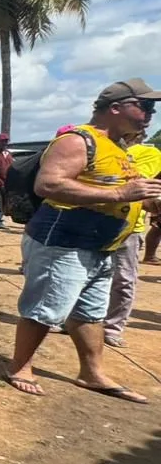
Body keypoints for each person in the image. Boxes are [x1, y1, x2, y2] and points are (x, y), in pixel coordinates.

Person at [5, 79, 161, 404]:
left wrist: (145, 201)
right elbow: (48, 185)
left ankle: (92, 373)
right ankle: (21, 367)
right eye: (143, 106)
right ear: (116, 107)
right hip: (63, 241)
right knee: (48, 307)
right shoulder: (78, 140)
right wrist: (120, 193)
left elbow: (120, 191)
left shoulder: (119, 148)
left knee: (91, 312)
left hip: (100, 245)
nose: (150, 113)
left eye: (152, 108)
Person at [103, 132, 161, 348]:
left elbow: (151, 183)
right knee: (87, 277)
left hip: (129, 227)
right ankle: (74, 320)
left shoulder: (150, 153)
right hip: (95, 221)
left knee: (123, 279)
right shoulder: (101, 149)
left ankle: (112, 328)